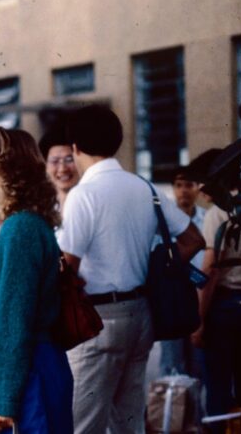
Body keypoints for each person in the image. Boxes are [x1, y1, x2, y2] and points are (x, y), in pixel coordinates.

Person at [59, 105, 205, 434]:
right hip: (141, 314)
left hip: (98, 320)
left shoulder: (83, 195)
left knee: (83, 424)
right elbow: (194, 239)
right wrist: (160, 269)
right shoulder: (145, 188)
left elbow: (67, 266)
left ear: (75, 148)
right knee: (128, 422)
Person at [0, 127, 73, 433]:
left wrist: (3, 400)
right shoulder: (23, 223)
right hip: (30, 364)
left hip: (29, 368)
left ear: (8, 167)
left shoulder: (20, 229)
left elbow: (14, 319)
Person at [191, 189, 241, 433]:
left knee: (218, 386)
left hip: (224, 305)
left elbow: (210, 270)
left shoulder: (219, 212)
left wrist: (199, 321)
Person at [159, 166, 207, 377]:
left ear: (197, 188)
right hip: (172, 298)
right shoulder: (162, 222)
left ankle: (198, 410)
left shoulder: (206, 220)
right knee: (172, 365)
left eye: (189, 185)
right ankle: (172, 410)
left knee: (200, 365)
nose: (184, 190)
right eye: (179, 185)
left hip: (200, 295)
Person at [38, 123, 80, 209]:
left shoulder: (91, 202)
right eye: (54, 161)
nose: (62, 169)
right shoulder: (41, 208)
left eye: (69, 160)